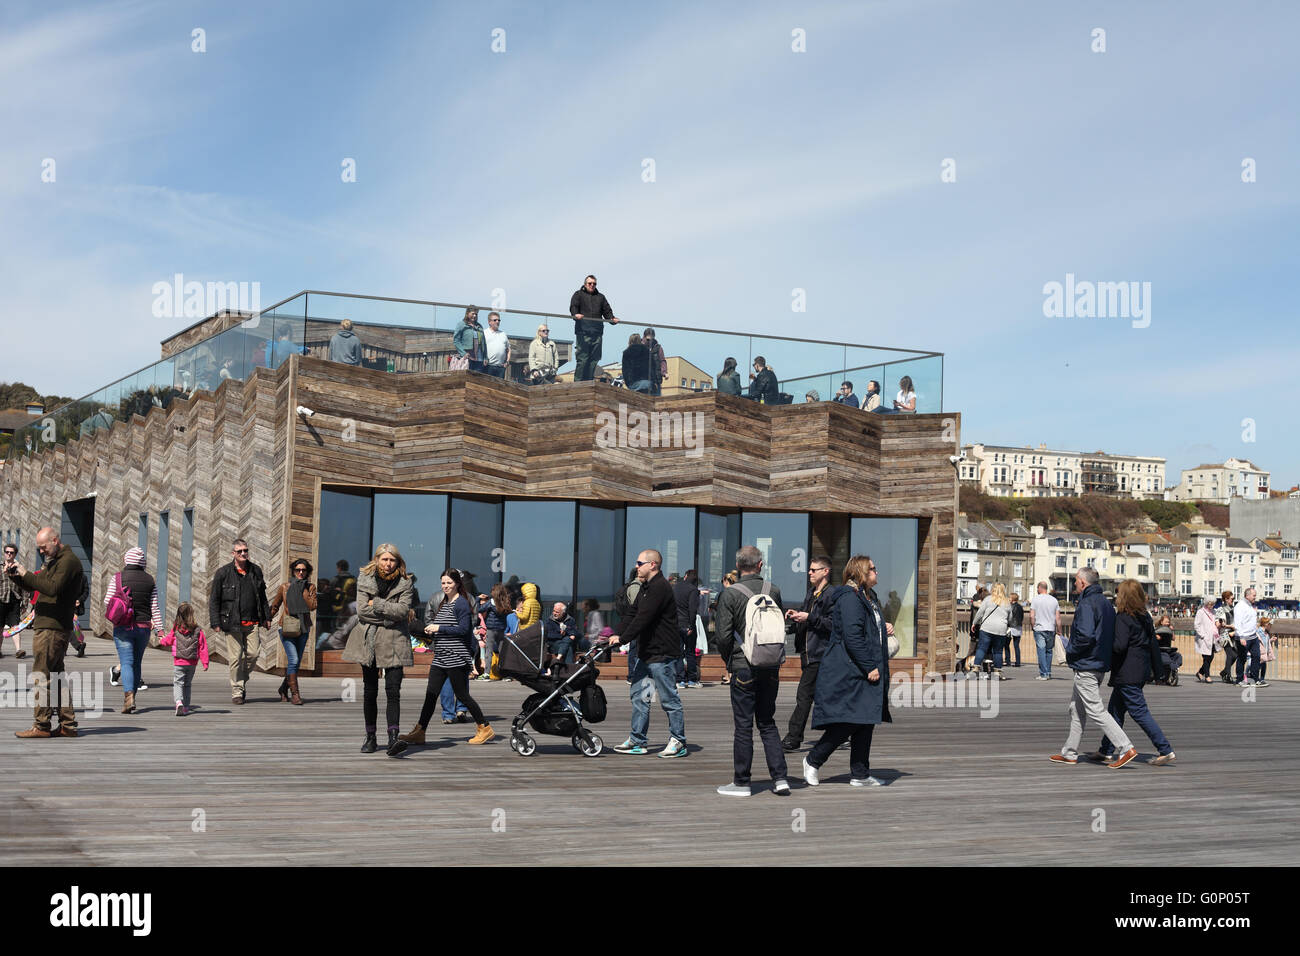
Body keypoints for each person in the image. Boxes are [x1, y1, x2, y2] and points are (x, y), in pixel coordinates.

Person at [802, 554, 892, 788]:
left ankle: (860, 773)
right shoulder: (850, 598)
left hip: (862, 668)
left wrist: (883, 626)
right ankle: (813, 760)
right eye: (872, 569)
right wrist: (869, 666)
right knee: (850, 721)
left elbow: (865, 629)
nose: (876, 572)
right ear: (860, 572)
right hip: (852, 669)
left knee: (865, 720)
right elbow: (852, 636)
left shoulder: (868, 597)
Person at [395, 568, 495, 755]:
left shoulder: (462, 604)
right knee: (431, 695)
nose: (446, 586)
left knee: (462, 695)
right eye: (443, 583)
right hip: (441, 656)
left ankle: (485, 728)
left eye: (449, 583)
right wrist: (428, 630)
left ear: (457, 584)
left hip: (455, 656)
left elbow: (464, 629)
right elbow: (446, 628)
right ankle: (420, 731)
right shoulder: (445, 602)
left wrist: (439, 627)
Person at [714, 546, 788, 795]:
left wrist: (730, 662)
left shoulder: (730, 594)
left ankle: (742, 782)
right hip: (770, 665)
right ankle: (780, 778)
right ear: (760, 565)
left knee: (744, 725)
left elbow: (723, 636)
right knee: (767, 722)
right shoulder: (773, 590)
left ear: (738, 566)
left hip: (743, 665)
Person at [1051, 567, 1137, 768]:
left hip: (1086, 664)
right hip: (1098, 663)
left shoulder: (1087, 603)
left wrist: (1070, 650)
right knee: (1076, 709)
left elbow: (1085, 635)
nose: (1073, 584)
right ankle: (1070, 752)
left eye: (1075, 581)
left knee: (1095, 709)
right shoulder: (1106, 604)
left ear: (1083, 582)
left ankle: (1125, 747)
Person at [1088, 580, 1175, 766]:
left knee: (1139, 712)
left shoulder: (1123, 617)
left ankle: (1165, 749)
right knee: (1115, 712)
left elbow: (1119, 646)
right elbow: (1152, 644)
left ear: (1124, 596)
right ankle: (1106, 750)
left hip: (1127, 671)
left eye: (1119, 593)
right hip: (1140, 669)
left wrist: (1102, 642)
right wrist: (1158, 670)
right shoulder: (1144, 616)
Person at [610, 549, 688, 757]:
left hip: (662, 655)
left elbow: (644, 617)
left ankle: (678, 741)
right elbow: (632, 613)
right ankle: (638, 741)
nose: (636, 566)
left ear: (652, 564)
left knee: (668, 699)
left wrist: (624, 639)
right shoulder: (645, 588)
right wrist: (616, 633)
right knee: (640, 697)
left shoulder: (660, 588)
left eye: (639, 563)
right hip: (647, 655)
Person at [9, 527, 85, 738]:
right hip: (51, 625)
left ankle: (41, 725)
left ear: (55, 540)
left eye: (43, 547)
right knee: (57, 675)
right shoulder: (56, 561)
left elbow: (51, 588)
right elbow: (38, 585)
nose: (41, 551)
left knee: (41, 676)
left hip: (52, 627)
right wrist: (16, 577)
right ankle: (67, 725)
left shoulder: (68, 562)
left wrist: (25, 573)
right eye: (39, 548)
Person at [341, 544, 414, 753]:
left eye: (392, 560)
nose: (388, 564)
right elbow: (363, 612)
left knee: (393, 691)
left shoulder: (406, 582)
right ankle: (370, 737)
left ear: (397, 562)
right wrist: (389, 615)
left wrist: (378, 604)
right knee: (370, 690)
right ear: (377, 559)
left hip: (395, 641)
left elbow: (402, 611)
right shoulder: (365, 578)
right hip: (370, 640)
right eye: (384, 559)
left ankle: (393, 738)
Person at [208, 539, 272, 705]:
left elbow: (262, 597)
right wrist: (215, 621)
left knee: (253, 654)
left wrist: (267, 617)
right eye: (240, 551)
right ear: (233, 554)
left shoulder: (255, 571)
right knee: (236, 658)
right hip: (232, 622)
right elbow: (214, 599)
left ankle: (241, 680)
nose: (243, 553)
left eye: (245, 550)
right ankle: (237, 691)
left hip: (253, 622)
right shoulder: (223, 573)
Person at [783, 554, 835, 752]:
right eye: (810, 569)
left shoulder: (832, 595)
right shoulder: (811, 593)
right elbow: (808, 619)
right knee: (825, 696)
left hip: (820, 654)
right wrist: (796, 617)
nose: (810, 573)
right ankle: (843, 731)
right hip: (807, 652)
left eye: (814, 570)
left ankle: (793, 738)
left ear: (825, 572)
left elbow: (833, 624)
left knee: (804, 696)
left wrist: (809, 617)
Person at [104, 546, 165, 714]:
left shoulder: (118, 578)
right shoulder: (149, 580)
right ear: (142, 562)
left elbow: (107, 600)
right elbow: (155, 607)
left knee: (126, 662)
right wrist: (159, 629)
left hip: (123, 626)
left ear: (126, 560)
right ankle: (132, 697)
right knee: (136, 663)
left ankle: (128, 697)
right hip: (143, 628)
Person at [270, 558, 316, 705]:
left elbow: (312, 606)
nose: (301, 572)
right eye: (298, 570)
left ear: (307, 572)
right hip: (287, 627)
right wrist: (267, 619)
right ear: (293, 571)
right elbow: (275, 605)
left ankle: (283, 688)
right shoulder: (284, 587)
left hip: (303, 628)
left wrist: (303, 590)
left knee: (294, 664)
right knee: (294, 660)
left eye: (303, 570)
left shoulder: (310, 587)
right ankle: (295, 694)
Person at [158, 602, 209, 716]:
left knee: (178, 683)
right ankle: (186, 707)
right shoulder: (198, 630)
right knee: (187, 684)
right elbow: (203, 646)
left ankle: (179, 702)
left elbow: (168, 640)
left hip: (179, 662)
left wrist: (161, 640)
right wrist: (205, 662)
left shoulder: (176, 628)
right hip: (192, 662)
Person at [569, 275, 618, 381]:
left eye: (594, 284)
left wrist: (612, 319)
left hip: (597, 333)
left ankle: (588, 381)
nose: (592, 285)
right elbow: (573, 307)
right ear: (585, 284)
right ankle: (578, 384)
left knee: (594, 359)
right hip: (583, 332)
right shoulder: (578, 294)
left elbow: (607, 311)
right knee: (583, 359)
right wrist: (575, 314)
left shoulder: (600, 297)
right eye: (590, 283)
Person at [970, 582, 1011, 679]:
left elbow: (980, 612)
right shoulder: (1007, 602)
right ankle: (997, 673)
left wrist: (974, 623)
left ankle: (976, 668)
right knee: (998, 651)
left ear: (993, 589)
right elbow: (1010, 618)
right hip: (1000, 629)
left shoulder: (988, 599)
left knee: (982, 648)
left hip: (987, 628)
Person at [0, 541, 31, 658]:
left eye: (11, 553)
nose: (9, 554)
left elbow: (25, 587)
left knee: (15, 626)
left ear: (15, 554)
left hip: (15, 600)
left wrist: (25, 603)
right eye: (7, 552)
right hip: (1, 599)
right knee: (0, 626)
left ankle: (19, 650)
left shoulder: (19, 569)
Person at [673, 569, 702, 688]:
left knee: (678, 653)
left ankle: (680, 680)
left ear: (685, 576)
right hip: (687, 625)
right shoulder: (693, 590)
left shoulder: (674, 588)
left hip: (675, 624)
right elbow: (692, 609)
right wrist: (691, 625)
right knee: (690, 652)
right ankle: (692, 680)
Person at [477, 585, 512, 679]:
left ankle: (486, 674)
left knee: (488, 652)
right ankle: (506, 675)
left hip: (491, 630)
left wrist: (478, 599)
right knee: (502, 652)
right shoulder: (505, 603)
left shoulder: (490, 603)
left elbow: (479, 610)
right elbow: (509, 612)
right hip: (501, 630)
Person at [1029, 581, 1061, 680]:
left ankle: (1043, 674)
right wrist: (1059, 630)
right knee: (1049, 651)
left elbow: (1031, 615)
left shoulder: (1035, 600)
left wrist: (1033, 626)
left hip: (1039, 628)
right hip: (1051, 628)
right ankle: (1048, 672)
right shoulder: (1054, 600)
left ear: (1039, 588)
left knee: (1041, 651)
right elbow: (1058, 617)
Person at [1233, 587, 1261, 686]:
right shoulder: (1240, 606)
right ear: (1247, 595)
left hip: (1253, 637)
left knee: (1256, 656)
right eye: (1254, 595)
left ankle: (1254, 678)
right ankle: (1239, 680)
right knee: (1242, 658)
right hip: (1243, 637)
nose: (1255, 597)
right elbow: (1238, 623)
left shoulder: (1250, 605)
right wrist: (1241, 637)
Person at [543, 601, 579, 666]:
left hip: (566, 642)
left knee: (568, 642)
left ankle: (564, 667)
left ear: (563, 613)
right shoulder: (549, 621)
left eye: (557, 612)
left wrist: (566, 632)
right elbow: (548, 635)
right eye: (553, 611)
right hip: (553, 644)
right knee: (568, 647)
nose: (554, 613)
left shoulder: (570, 620)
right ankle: (569, 670)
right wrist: (562, 635)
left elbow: (575, 632)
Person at [453, 306, 486, 373]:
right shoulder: (461, 325)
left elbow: (484, 343)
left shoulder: (479, 326)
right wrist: (463, 353)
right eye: (473, 313)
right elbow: (456, 340)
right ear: (467, 313)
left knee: (477, 380)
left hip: (479, 359)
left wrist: (485, 357)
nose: (474, 316)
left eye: (476, 314)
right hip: (467, 358)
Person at [1214, 590, 1238, 683]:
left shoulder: (1234, 608)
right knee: (1229, 655)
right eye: (1232, 598)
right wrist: (1224, 624)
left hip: (1234, 634)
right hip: (1225, 635)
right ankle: (1228, 675)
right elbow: (1217, 624)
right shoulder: (1220, 609)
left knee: (1235, 655)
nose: (1233, 600)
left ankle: (1224, 672)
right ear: (1226, 599)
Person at [1193, 596, 1217, 683]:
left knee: (1211, 656)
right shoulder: (1201, 612)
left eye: (1213, 604)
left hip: (1212, 638)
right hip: (1204, 638)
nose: (1212, 605)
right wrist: (1202, 635)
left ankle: (1200, 672)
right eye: (1210, 603)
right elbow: (1197, 625)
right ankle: (1207, 676)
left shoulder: (1214, 612)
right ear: (1206, 603)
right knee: (1206, 657)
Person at [482, 311, 511, 379]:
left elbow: (508, 349)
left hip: (500, 367)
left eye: (499, 320)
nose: (497, 322)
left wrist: (507, 361)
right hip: (488, 366)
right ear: (489, 322)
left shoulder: (503, 334)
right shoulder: (484, 333)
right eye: (495, 320)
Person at [643, 328, 666, 395]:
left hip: (655, 380)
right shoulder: (640, 347)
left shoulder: (658, 348)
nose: (650, 341)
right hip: (643, 380)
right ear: (644, 337)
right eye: (648, 339)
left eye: (651, 339)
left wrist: (664, 372)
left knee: (657, 401)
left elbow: (662, 361)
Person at [1006, 592, 1024, 667]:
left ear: (1012, 599)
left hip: (1011, 627)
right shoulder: (1020, 607)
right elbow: (1022, 617)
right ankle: (1018, 662)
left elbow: (1009, 617)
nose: (1008, 599)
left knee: (1006, 645)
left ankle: (1008, 661)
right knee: (1016, 646)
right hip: (1018, 627)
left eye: (1009, 598)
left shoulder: (1010, 606)